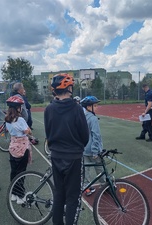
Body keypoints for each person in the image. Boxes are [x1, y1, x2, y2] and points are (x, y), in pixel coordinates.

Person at [44, 73, 89, 225]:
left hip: (56, 156)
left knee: (59, 194)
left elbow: (48, 133)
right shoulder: (77, 109)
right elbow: (85, 136)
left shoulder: (49, 109)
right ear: (69, 88)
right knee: (73, 198)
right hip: (74, 158)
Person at [4, 95, 32, 204]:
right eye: (20, 106)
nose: (21, 108)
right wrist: (29, 131)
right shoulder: (20, 119)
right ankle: (20, 196)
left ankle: (14, 194)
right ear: (17, 108)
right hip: (22, 147)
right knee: (21, 172)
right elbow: (27, 131)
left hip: (13, 146)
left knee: (14, 171)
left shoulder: (7, 120)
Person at [80, 96, 105, 196]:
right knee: (99, 168)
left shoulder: (82, 117)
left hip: (84, 149)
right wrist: (95, 151)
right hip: (93, 150)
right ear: (89, 107)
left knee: (86, 169)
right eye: (95, 105)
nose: (97, 107)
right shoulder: (93, 118)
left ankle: (86, 187)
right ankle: (104, 185)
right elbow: (96, 135)